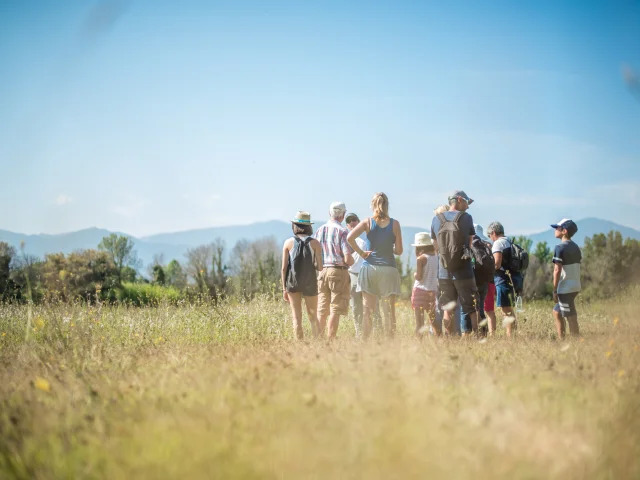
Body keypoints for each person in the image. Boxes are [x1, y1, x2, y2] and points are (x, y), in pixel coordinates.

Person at [347, 192, 403, 339]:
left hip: (369, 268)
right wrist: (386, 248)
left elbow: (349, 237)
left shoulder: (367, 222)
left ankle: (364, 344)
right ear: (387, 205)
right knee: (389, 312)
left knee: (367, 311)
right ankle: (390, 345)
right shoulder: (395, 224)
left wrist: (361, 252)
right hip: (389, 269)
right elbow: (399, 250)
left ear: (372, 205)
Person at [430, 190, 478, 336]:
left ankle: (448, 338)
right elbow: (469, 245)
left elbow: (435, 246)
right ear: (458, 200)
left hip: (444, 271)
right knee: (471, 307)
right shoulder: (467, 218)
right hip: (464, 270)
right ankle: (477, 338)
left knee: (447, 308)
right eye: (466, 202)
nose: (468, 206)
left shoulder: (436, 219)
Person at [313, 201, 355, 339]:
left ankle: (318, 339)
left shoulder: (319, 230)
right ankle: (331, 340)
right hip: (337, 271)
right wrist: (352, 261)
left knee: (322, 309)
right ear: (343, 215)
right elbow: (348, 258)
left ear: (329, 213)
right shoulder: (342, 231)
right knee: (335, 309)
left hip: (322, 271)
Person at [281, 211, 323, 339]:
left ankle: (299, 345)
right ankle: (317, 343)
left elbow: (283, 268)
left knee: (296, 317)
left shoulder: (288, 243)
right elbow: (320, 267)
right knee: (312, 316)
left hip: (292, 283)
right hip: (310, 282)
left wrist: (284, 288)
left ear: (295, 225)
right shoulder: (315, 243)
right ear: (309, 226)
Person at [486, 221, 523, 337]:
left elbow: (497, 263)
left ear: (493, 233)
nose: (490, 238)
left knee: (505, 310)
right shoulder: (508, 241)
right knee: (509, 309)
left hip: (502, 279)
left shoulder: (498, 244)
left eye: (489, 236)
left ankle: (510, 336)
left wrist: (488, 271)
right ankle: (513, 334)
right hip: (513, 278)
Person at [461, 224, 495, 335]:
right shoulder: (485, 244)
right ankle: (483, 333)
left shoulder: (468, 244)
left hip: (472, 280)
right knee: (480, 308)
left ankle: (470, 333)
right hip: (484, 281)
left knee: (468, 309)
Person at [551, 219, 582, 338]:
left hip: (565, 288)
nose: (555, 230)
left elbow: (557, 270)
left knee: (570, 316)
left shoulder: (559, 248)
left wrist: (554, 289)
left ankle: (571, 341)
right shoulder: (576, 247)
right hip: (575, 286)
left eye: (557, 228)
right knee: (557, 312)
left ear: (564, 231)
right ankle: (564, 339)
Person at [411, 232, 439, 336]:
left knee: (419, 322)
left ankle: (420, 344)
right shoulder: (436, 257)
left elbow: (419, 277)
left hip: (420, 291)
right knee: (433, 320)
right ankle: (438, 339)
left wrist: (414, 274)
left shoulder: (420, 259)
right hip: (432, 291)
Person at [346, 213, 365, 337]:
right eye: (349, 221)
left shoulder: (364, 241)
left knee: (367, 306)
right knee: (356, 307)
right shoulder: (345, 241)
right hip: (352, 275)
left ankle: (369, 331)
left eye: (354, 220)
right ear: (347, 226)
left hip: (364, 274)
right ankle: (360, 333)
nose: (352, 222)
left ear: (359, 222)